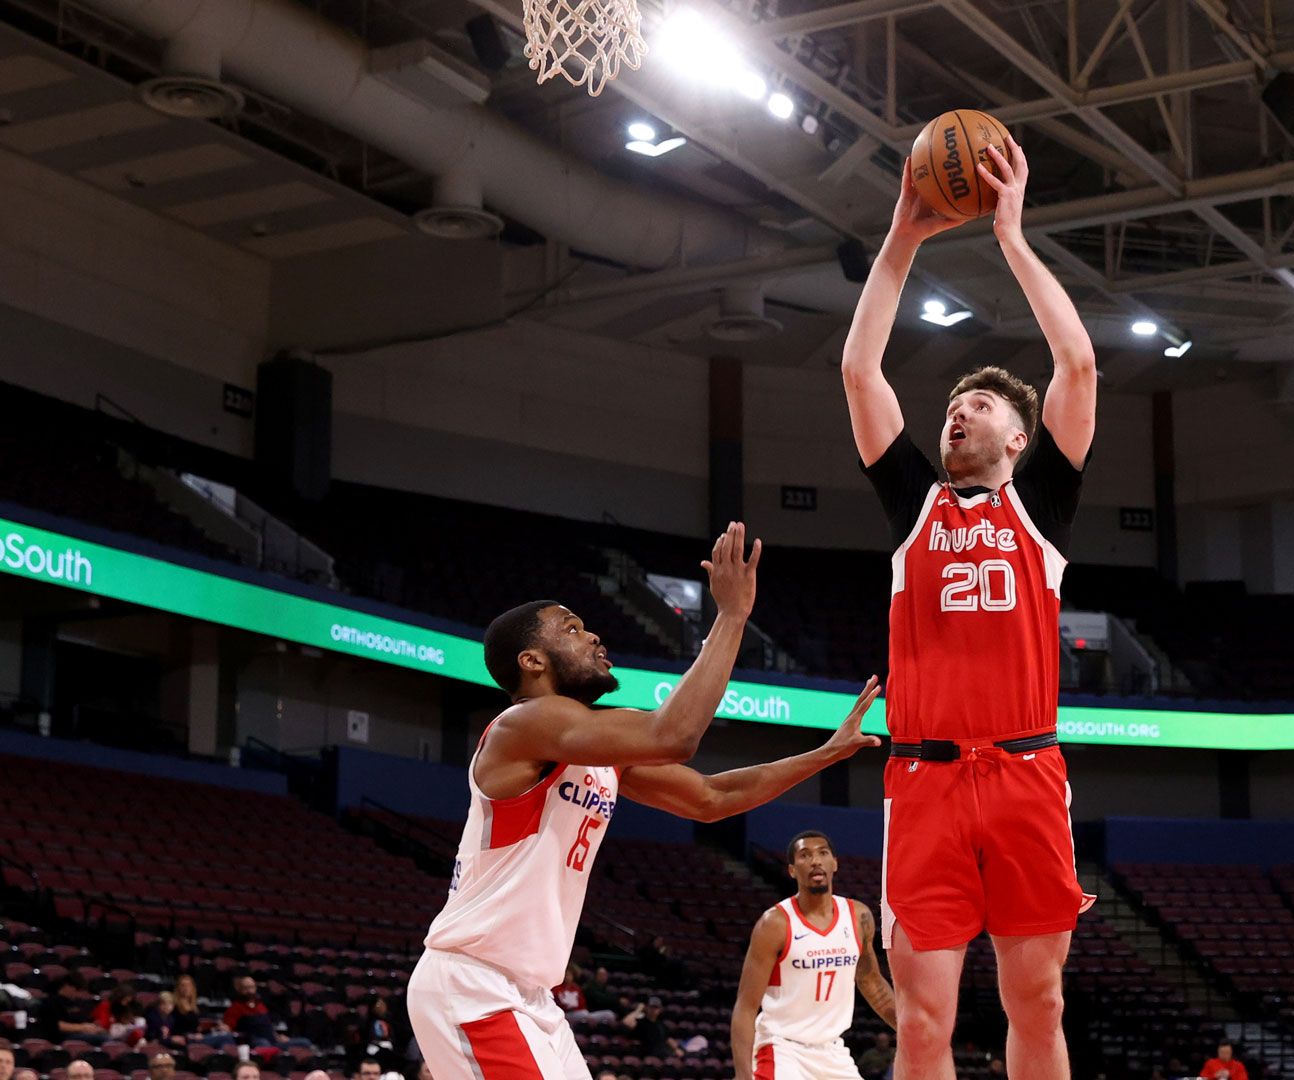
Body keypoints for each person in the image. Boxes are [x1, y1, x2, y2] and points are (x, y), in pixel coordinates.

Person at [409, 525, 882, 1080]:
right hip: (476, 986)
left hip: (531, 997)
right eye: (572, 628)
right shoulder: (524, 723)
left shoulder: (596, 751)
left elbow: (712, 797)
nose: (593, 637)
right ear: (532, 661)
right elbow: (673, 734)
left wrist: (824, 756)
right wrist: (730, 618)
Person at [843, 136, 1098, 1080]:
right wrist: (904, 237)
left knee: (1038, 1001)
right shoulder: (917, 503)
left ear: (1018, 435)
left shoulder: (1043, 504)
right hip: (926, 785)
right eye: (953, 405)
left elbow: (1076, 362)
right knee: (920, 1026)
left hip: (1028, 776)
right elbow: (862, 374)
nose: (960, 412)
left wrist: (1011, 236)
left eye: (981, 405)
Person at [732, 832, 896, 1080]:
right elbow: (745, 1006)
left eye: (822, 853)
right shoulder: (774, 924)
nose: (815, 861)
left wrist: (909, 1029)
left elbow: (871, 982)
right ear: (792, 870)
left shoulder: (857, 916)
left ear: (834, 863)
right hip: (782, 1048)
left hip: (832, 1051)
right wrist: (743, 1076)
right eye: (805, 855)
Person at [221, 976, 278, 1047]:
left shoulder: (261, 1005)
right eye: (246, 988)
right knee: (264, 1043)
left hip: (272, 1040)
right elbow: (228, 1028)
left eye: (252, 987)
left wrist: (278, 1036)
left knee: (294, 1043)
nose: (250, 991)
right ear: (240, 990)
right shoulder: (235, 1008)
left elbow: (269, 1026)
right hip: (252, 1042)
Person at [53, 972, 102, 1038]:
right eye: (76, 990)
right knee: (103, 1038)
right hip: (64, 1035)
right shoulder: (53, 1002)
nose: (78, 995)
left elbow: (88, 1020)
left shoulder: (79, 1002)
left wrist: (95, 1026)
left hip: (82, 1033)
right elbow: (54, 1025)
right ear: (67, 986)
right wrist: (82, 1027)